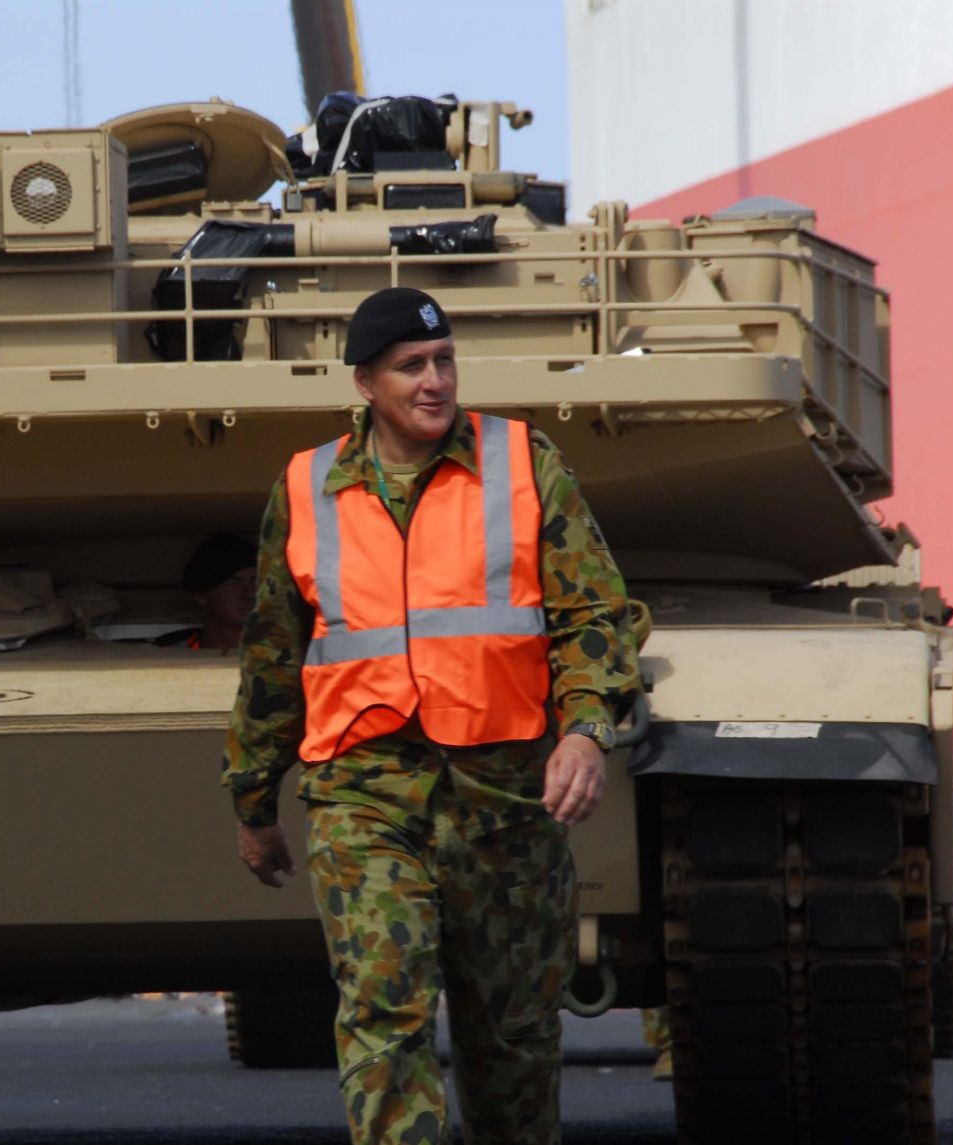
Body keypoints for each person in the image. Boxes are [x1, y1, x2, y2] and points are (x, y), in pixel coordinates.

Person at [221, 286, 639, 1145]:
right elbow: (273, 653)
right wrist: (253, 800)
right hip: (365, 794)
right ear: (365, 381)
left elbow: (593, 613)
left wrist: (587, 730)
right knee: (383, 1012)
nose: (435, 380)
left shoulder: (522, 462)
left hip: (506, 798)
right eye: (412, 366)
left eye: (445, 359)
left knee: (513, 1037)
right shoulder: (307, 488)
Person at [175, 534, 258, 650]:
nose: (250, 594)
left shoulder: (286, 656)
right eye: (234, 583)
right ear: (201, 596)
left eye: (256, 582)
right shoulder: (165, 655)